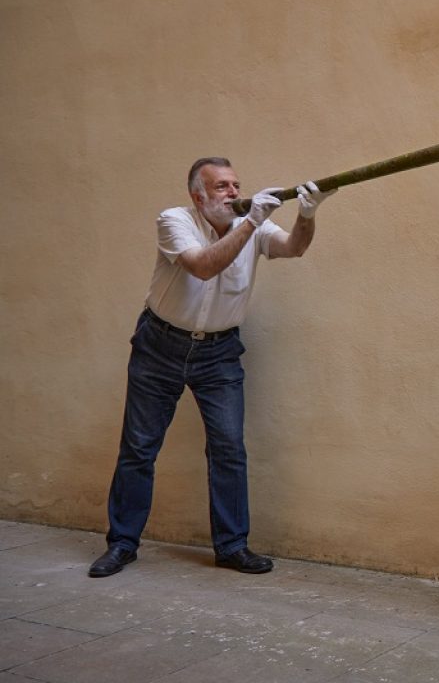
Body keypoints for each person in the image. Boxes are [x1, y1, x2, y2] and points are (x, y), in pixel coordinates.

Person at [88, 158, 335, 578]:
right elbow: (203, 266)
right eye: (221, 186)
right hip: (159, 347)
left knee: (228, 450)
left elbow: (295, 247)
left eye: (236, 184)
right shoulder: (174, 220)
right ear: (197, 195)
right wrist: (252, 221)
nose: (233, 192)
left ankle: (232, 547)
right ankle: (122, 544)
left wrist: (307, 214)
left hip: (219, 353)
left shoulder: (251, 224)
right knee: (139, 448)